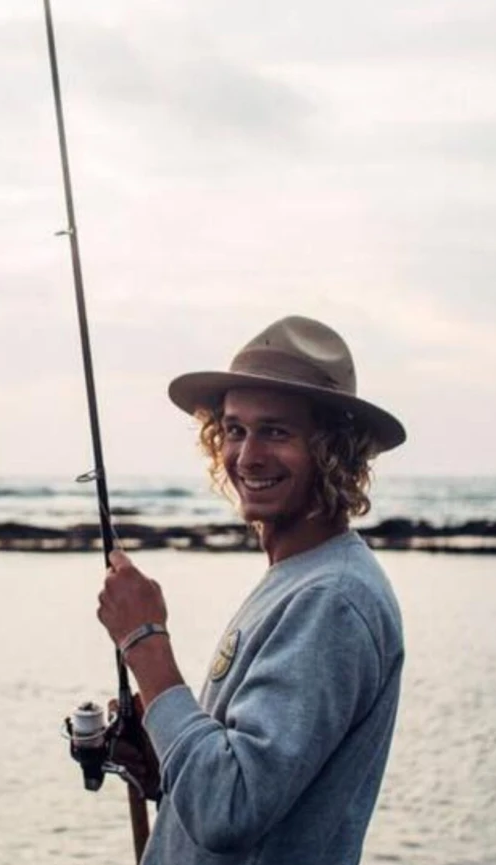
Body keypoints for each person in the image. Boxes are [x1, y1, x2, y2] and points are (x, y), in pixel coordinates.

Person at [96, 315, 406, 865]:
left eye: (276, 431)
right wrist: (166, 755)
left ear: (334, 451)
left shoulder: (331, 600)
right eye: (235, 430)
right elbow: (249, 793)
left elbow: (229, 808)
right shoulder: (298, 578)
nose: (248, 455)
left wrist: (145, 643)